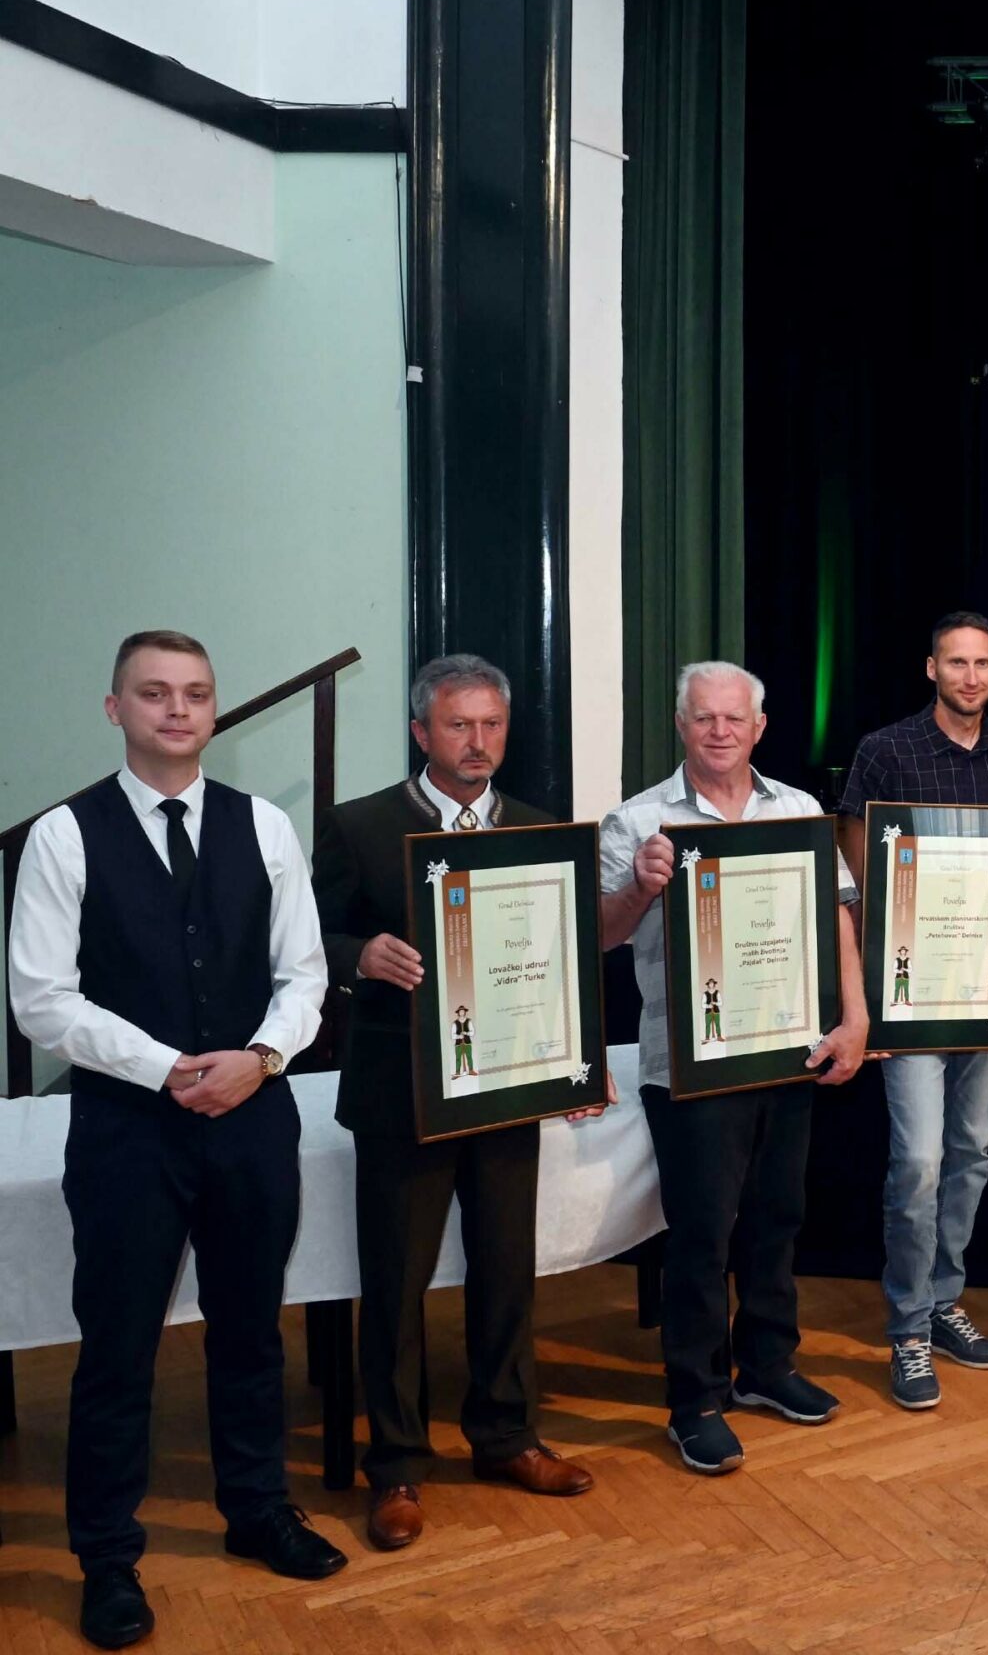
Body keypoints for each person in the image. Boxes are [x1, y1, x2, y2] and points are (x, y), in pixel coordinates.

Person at [8, 631, 344, 1649]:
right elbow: (40, 998)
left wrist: (260, 1057)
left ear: (213, 708)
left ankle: (257, 1509)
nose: (177, 709)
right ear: (116, 708)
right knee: (118, 1347)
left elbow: (305, 974)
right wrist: (166, 1067)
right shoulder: (64, 835)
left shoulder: (264, 826)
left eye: (194, 692)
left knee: (250, 1329)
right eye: (153, 693)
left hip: (253, 1113)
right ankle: (107, 1558)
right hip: (128, 1130)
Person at [311, 654, 603, 1553]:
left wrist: (577, 1065)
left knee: (506, 1268)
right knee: (395, 1284)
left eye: (492, 725)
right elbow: (310, 939)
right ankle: (397, 1466)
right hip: (399, 1094)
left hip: (508, 1084)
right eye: (458, 725)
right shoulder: (360, 826)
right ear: (420, 732)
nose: (478, 742)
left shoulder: (541, 829)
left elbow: (563, 958)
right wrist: (360, 956)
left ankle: (507, 1436)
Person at [601, 662, 871, 1471]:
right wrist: (640, 887)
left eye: (733, 718)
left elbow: (838, 916)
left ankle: (767, 1366)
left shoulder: (799, 810)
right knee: (701, 1232)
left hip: (788, 1046)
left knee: (776, 1217)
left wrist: (856, 1018)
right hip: (689, 1062)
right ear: (680, 725)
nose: (719, 731)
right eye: (703, 717)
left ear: (759, 727)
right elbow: (603, 934)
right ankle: (694, 1399)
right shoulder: (636, 820)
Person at [836, 611, 988, 1410]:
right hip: (909, 994)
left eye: (983, 664)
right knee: (919, 1162)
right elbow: (853, 874)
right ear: (931, 668)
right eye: (956, 662)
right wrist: (868, 996)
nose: (970, 677)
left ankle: (942, 1300)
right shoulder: (886, 750)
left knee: (972, 1152)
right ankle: (907, 1331)